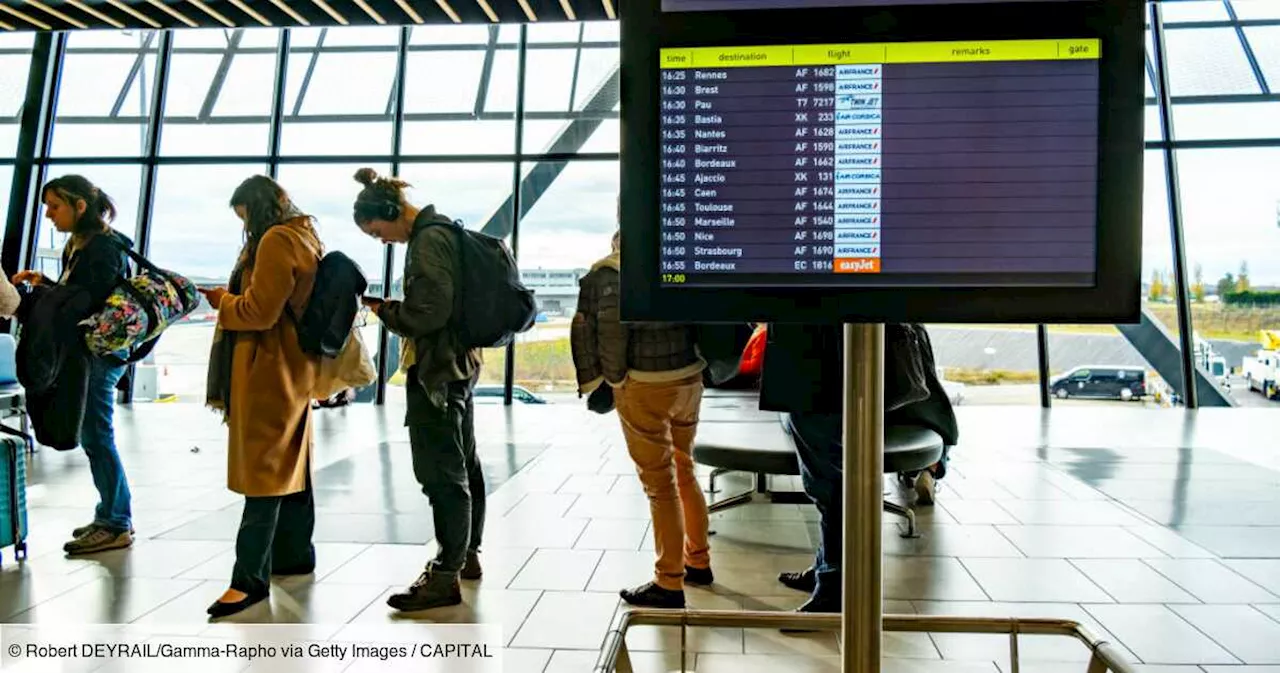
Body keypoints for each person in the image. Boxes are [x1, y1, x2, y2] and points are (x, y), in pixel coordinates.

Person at [351, 167, 484, 612]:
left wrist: (388, 312)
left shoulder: (427, 242)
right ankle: (467, 556)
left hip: (438, 370)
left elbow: (429, 314)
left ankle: (444, 575)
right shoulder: (444, 231)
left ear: (391, 212)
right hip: (460, 364)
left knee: (441, 474)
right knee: (465, 462)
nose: (382, 240)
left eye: (378, 232)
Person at [759, 324, 958, 614]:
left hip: (814, 364)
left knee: (828, 485)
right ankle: (824, 568)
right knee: (828, 478)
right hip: (832, 360)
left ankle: (833, 586)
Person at [571, 224, 713, 609]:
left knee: (659, 483)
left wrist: (614, 382)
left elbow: (609, 334)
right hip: (688, 376)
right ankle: (697, 559)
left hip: (645, 383)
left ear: (618, 241)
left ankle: (669, 581)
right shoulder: (677, 263)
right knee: (685, 468)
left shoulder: (609, 272)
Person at [202, 175, 323, 619]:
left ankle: (247, 580)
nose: (245, 229)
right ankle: (294, 555)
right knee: (291, 462)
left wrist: (222, 302)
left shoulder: (275, 241)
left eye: (245, 218)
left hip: (269, 367)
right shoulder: (304, 235)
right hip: (291, 367)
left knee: (264, 471)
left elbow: (259, 311)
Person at [12, 175, 135, 555]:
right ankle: (110, 514)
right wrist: (48, 285)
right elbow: (76, 297)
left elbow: (83, 303)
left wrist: (37, 300)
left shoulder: (102, 249)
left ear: (80, 205)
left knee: (97, 435)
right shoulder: (82, 245)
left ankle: (116, 522)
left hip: (101, 353)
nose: (48, 214)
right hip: (94, 351)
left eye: (55, 206)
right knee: (94, 435)